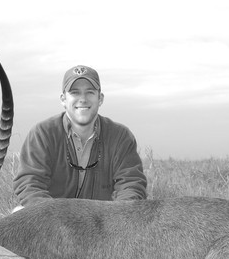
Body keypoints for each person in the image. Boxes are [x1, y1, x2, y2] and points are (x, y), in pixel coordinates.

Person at [13, 65, 147, 207]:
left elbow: (132, 185)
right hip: (53, 221)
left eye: (89, 92)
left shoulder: (121, 137)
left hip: (102, 223)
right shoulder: (42, 134)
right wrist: (55, 218)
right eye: (75, 92)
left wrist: (116, 218)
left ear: (100, 98)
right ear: (63, 99)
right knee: (18, 213)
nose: (83, 99)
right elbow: (29, 184)